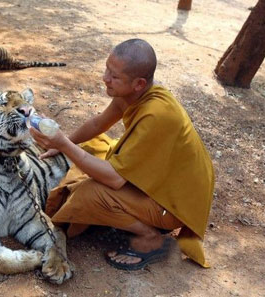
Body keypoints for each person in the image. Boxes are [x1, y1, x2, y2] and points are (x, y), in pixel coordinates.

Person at [29, 39, 214, 270]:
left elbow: (115, 179)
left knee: (91, 194)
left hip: (172, 205)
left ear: (139, 83)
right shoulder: (133, 94)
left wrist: (65, 145)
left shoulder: (157, 115)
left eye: (114, 76)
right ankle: (123, 216)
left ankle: (151, 238)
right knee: (92, 145)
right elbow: (98, 124)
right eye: (107, 69)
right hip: (162, 183)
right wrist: (64, 143)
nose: (105, 78)